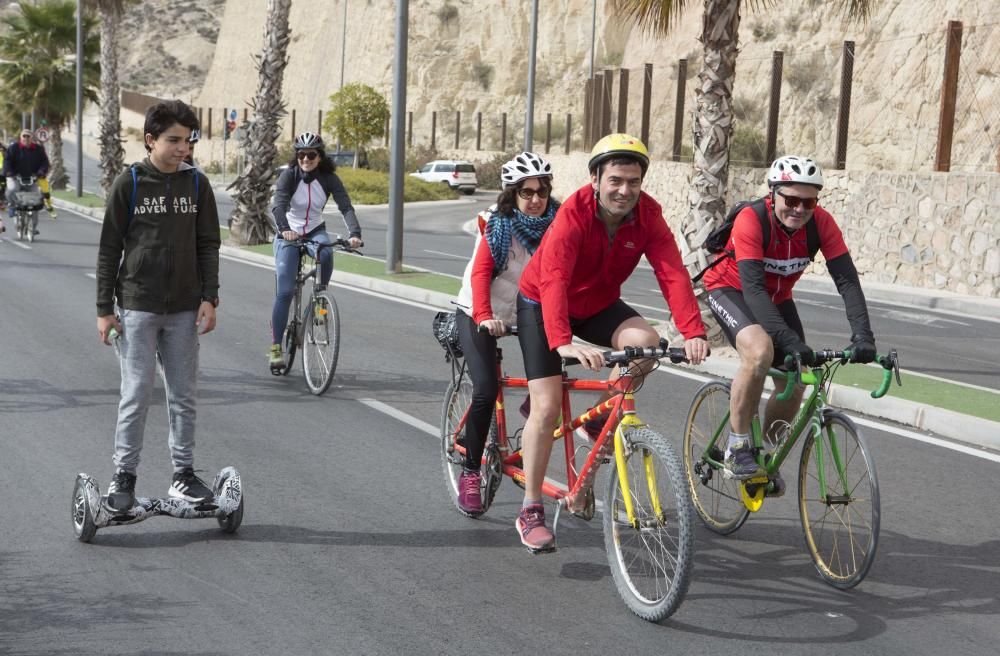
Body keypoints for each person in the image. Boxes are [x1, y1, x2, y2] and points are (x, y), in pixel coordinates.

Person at [513, 133, 710, 552]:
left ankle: (599, 424)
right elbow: (555, 279)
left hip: (598, 303)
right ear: (596, 179)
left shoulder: (648, 216)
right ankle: (531, 508)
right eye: (616, 180)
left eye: (634, 182)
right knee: (546, 408)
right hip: (543, 303)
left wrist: (692, 330)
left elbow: (672, 273)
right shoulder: (573, 214)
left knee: (646, 344)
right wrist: (563, 341)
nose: (625, 190)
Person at [702, 155, 876, 482]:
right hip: (731, 288)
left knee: (796, 379)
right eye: (791, 200)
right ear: (773, 194)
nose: (799, 209)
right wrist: (791, 341)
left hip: (777, 299)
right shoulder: (752, 220)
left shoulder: (821, 223)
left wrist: (863, 336)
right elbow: (753, 290)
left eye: (808, 201)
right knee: (759, 351)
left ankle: (765, 453)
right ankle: (737, 447)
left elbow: (848, 281)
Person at [95, 100, 221, 510]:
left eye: (188, 140)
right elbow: (109, 248)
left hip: (185, 308)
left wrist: (209, 298)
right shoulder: (129, 183)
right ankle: (123, 478)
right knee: (136, 394)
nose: (183, 148)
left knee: (183, 395)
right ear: (151, 140)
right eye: (174, 140)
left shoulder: (197, 185)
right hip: (137, 306)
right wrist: (103, 308)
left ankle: (183, 475)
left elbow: (208, 244)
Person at [452, 151, 559, 514]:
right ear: (512, 194)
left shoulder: (558, 226)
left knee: (551, 385)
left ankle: (533, 419)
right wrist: (483, 316)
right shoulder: (496, 225)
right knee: (485, 390)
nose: (535, 200)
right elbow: (482, 274)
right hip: (478, 311)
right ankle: (470, 472)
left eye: (541, 191)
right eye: (526, 192)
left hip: (526, 311)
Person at [268, 132, 362, 372]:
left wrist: (355, 234)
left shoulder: (329, 179)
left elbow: (345, 206)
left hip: (314, 230)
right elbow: (278, 205)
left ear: (320, 157)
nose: (305, 159)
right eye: (301, 155)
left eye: (311, 155)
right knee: (285, 291)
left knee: (326, 252)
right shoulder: (289, 176)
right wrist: (285, 229)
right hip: (289, 232)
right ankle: (276, 347)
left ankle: (320, 299)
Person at [3, 129, 56, 225]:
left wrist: (41, 172)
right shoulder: (13, 148)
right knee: (13, 188)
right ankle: (11, 205)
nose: (26, 138)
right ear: (21, 137)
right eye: (24, 136)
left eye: (28, 136)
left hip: (32, 177)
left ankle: (33, 225)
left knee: (35, 196)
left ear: (32, 137)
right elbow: (7, 161)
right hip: (15, 176)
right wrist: (9, 172)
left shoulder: (38, 149)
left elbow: (45, 162)